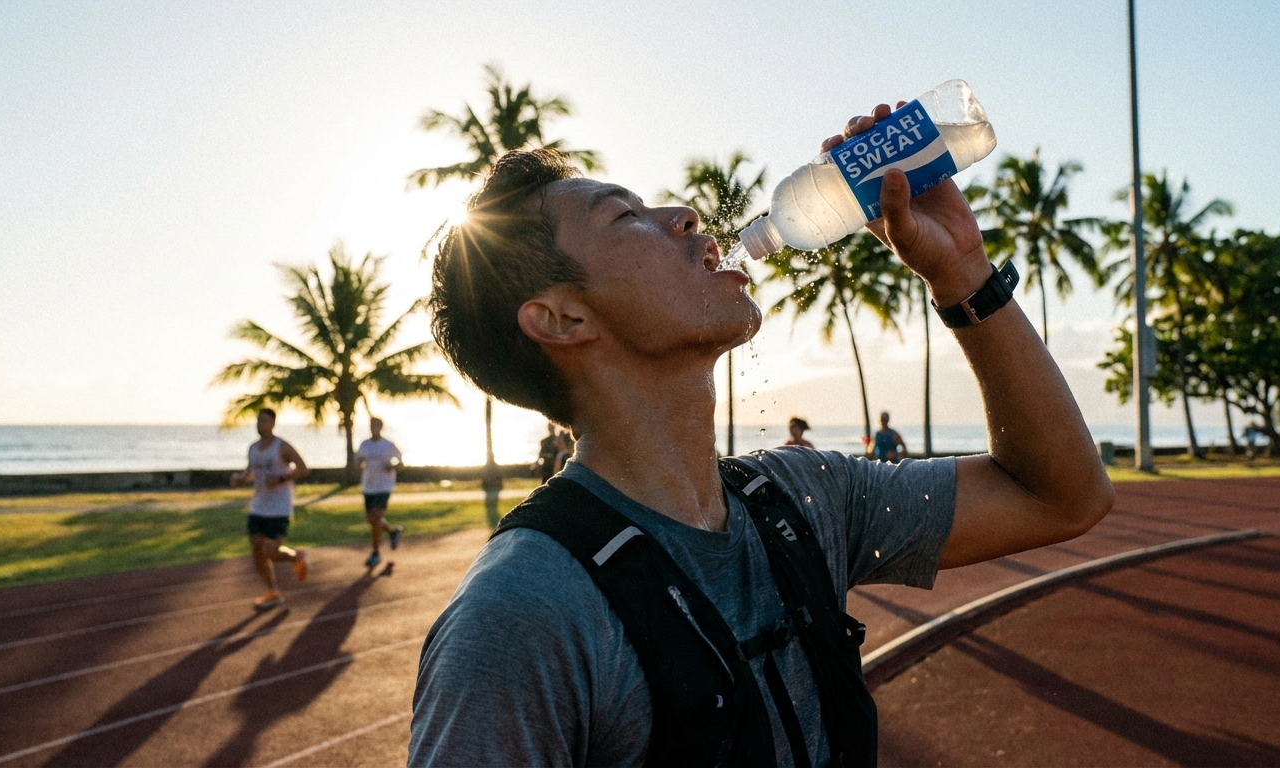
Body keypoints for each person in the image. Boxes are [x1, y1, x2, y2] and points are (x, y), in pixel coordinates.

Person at [410, 103, 1113, 765]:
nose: (684, 215)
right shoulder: (523, 615)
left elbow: (1063, 498)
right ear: (561, 319)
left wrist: (962, 271)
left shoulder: (803, 499)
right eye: (626, 216)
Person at [230, 408, 311, 609]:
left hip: (279, 507)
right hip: (258, 506)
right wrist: (240, 479)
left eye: (264, 420)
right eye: (258, 420)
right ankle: (273, 591)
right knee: (257, 551)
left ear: (273, 423)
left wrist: (281, 478)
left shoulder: (281, 447)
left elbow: (303, 469)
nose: (260, 424)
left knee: (271, 552)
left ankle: (296, 557)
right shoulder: (253, 448)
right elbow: (250, 471)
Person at [354, 416, 404, 568]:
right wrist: (358, 466)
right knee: (372, 520)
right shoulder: (365, 444)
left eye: (376, 425)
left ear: (381, 427)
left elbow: (401, 464)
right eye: (371, 425)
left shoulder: (388, 445)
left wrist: (392, 466)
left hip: (384, 486)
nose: (373, 428)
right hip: (368, 486)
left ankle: (375, 553)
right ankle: (392, 531)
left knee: (376, 517)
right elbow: (358, 462)